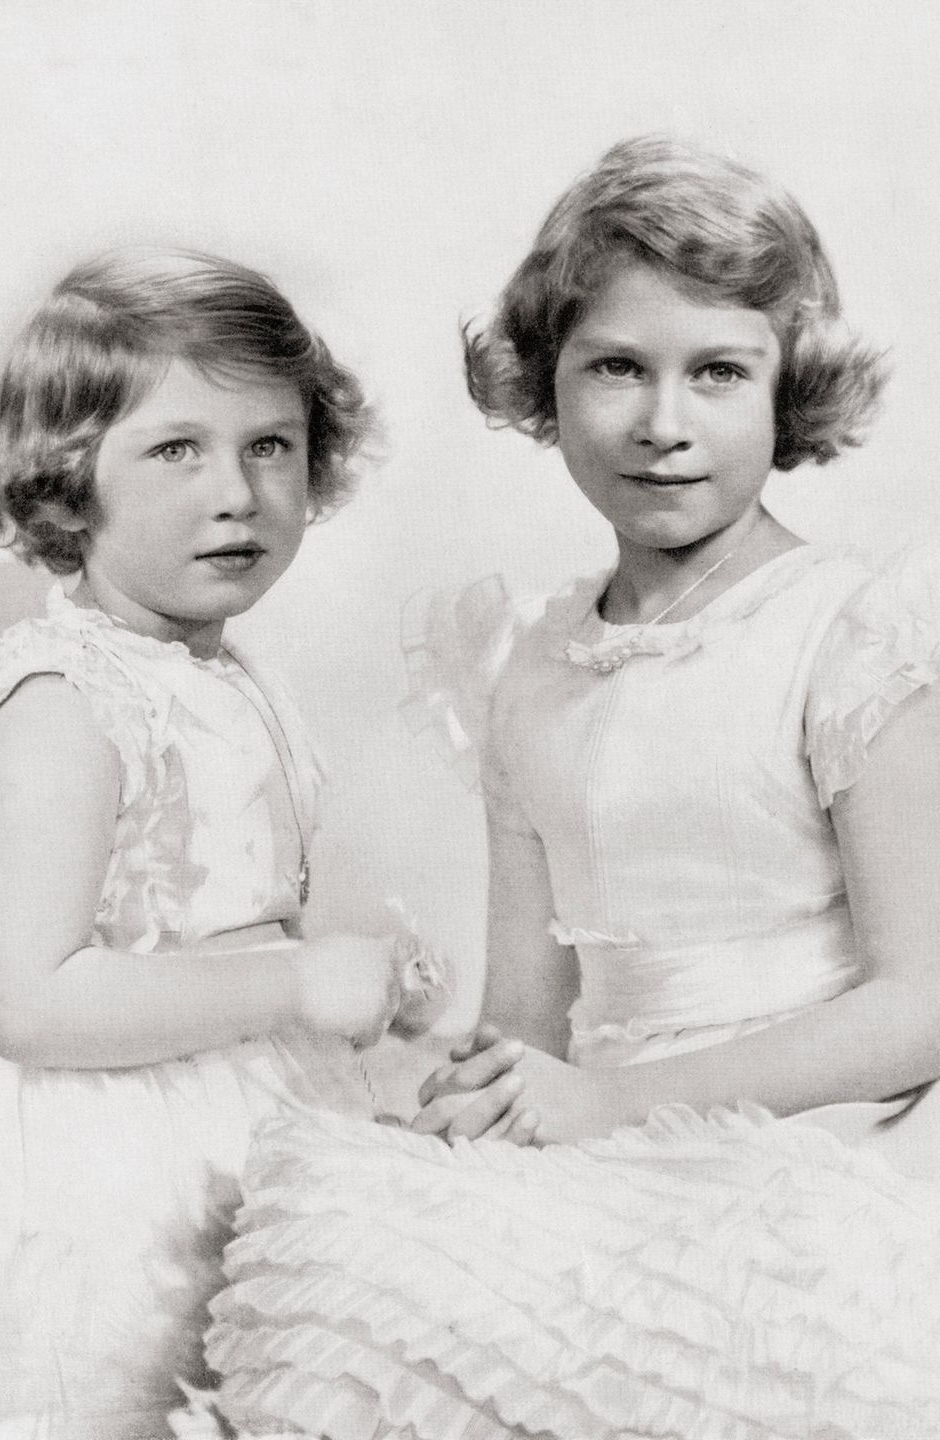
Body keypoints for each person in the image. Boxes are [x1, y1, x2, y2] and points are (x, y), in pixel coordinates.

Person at [198, 139, 940, 1438]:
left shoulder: (852, 633)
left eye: (719, 372)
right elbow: (527, 1022)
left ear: (791, 389)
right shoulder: (527, 663)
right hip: (603, 1138)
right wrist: (482, 1101)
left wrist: (609, 1106)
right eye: (616, 368)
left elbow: (922, 1008)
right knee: (356, 1250)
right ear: (547, 380)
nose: (663, 423)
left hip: (825, 1138)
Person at [0, 249, 452, 1440]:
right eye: (177, 450)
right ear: (69, 478)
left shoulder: (221, 668)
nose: (237, 492)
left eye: (270, 445)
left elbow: (233, 905)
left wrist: (366, 985)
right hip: (115, 1172)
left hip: (257, 1123)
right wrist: (296, 980)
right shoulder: (64, 701)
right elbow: (29, 1001)